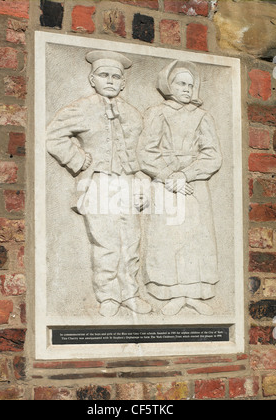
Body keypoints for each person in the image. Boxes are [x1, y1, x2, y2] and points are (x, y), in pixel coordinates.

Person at [46, 50, 151, 317]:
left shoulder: (133, 113)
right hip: (98, 183)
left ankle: (130, 294)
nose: (110, 81)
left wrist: (141, 183)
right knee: (105, 244)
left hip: (127, 183)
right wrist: (78, 160)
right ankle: (108, 297)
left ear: (123, 83)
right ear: (92, 79)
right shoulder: (81, 108)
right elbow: (54, 136)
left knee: (130, 242)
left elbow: (142, 151)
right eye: (104, 75)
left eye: (116, 77)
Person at [138, 60, 222, 316]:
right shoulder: (157, 112)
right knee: (167, 238)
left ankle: (193, 294)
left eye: (190, 84)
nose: (187, 88)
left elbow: (213, 155)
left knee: (195, 238)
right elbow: (145, 152)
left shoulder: (201, 116)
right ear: (168, 84)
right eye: (181, 83)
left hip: (194, 184)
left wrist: (186, 175)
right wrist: (167, 176)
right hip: (164, 185)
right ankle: (170, 293)